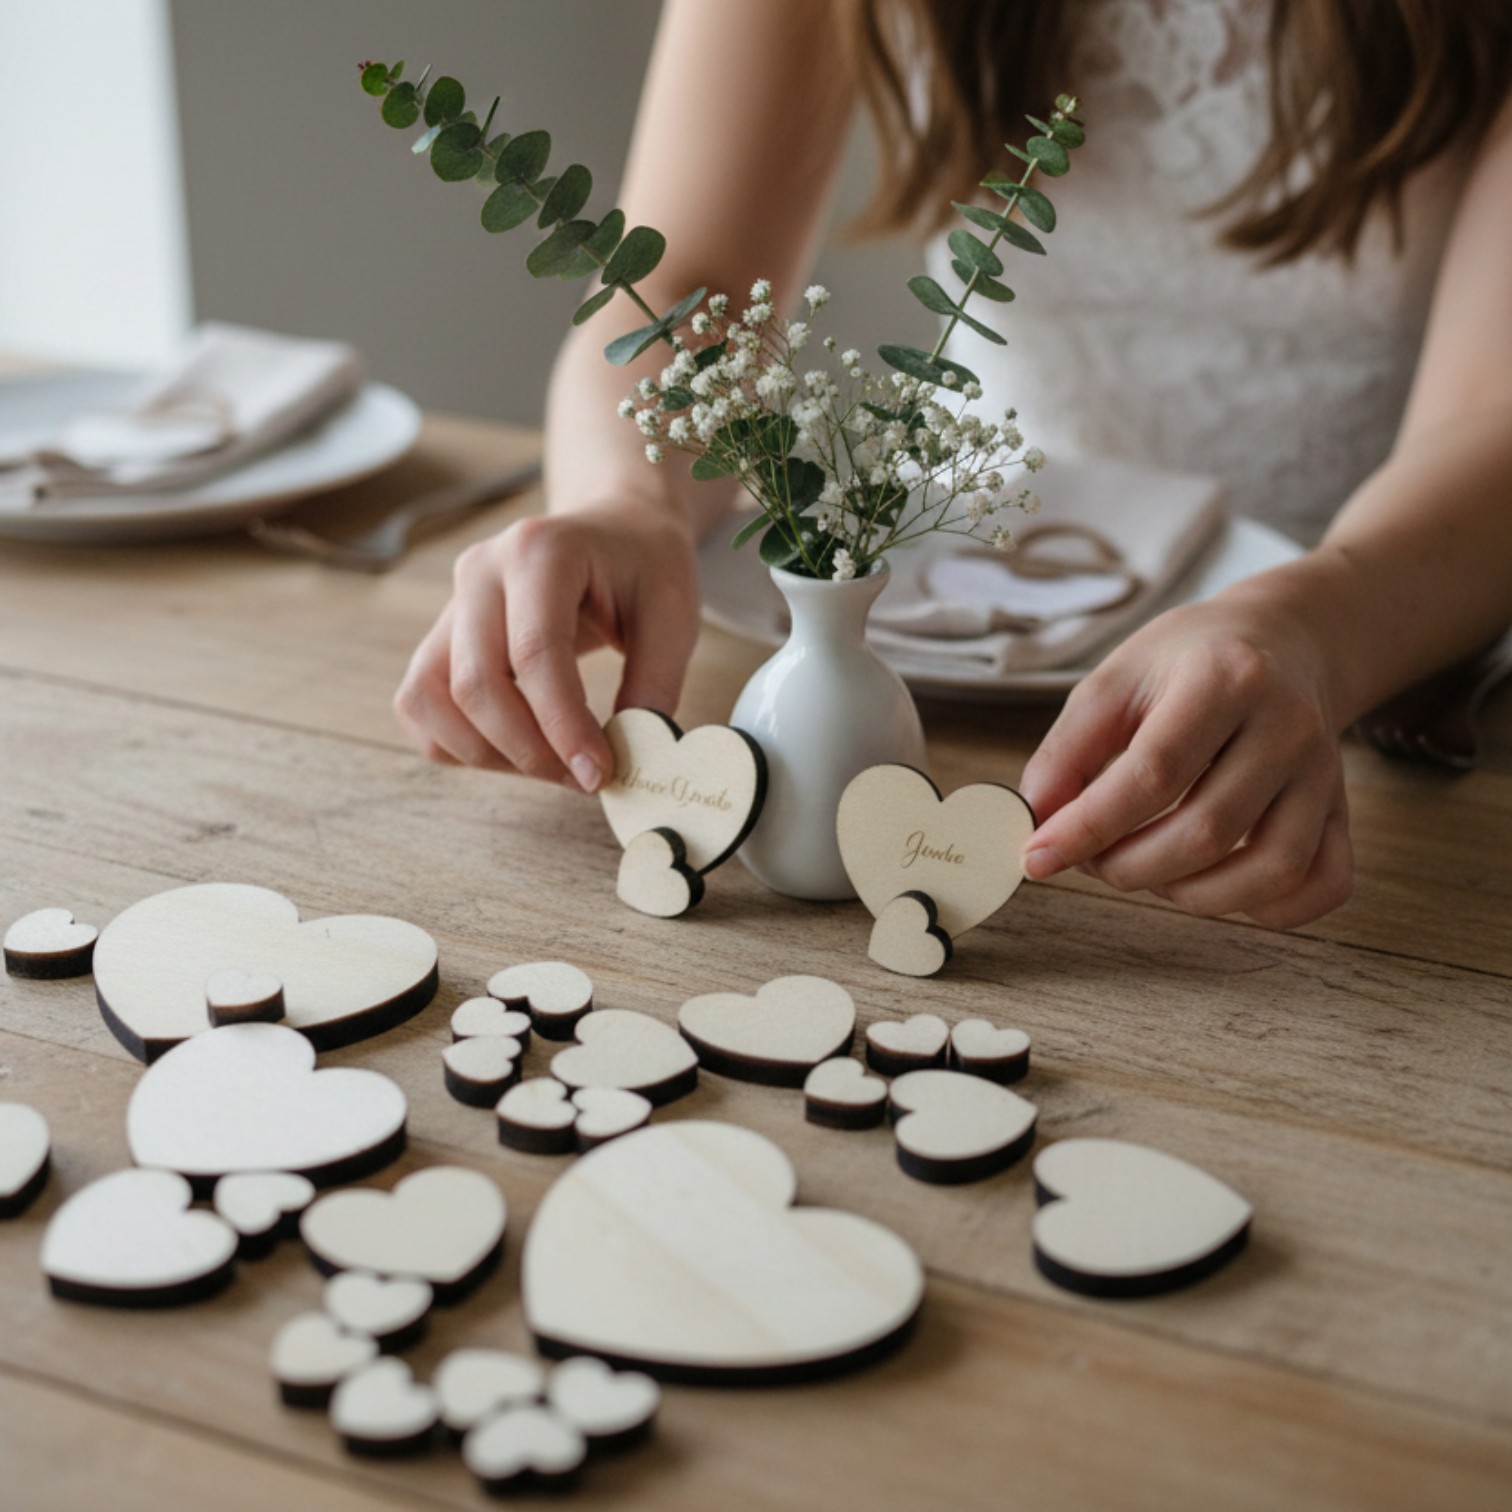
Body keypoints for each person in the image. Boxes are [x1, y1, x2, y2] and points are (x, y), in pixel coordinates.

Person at [393, 0, 1512, 929]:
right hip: (949, 617)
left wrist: (1318, 627)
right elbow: (680, 269)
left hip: (1380, 664)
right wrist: (626, 500)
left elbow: (1491, 410)